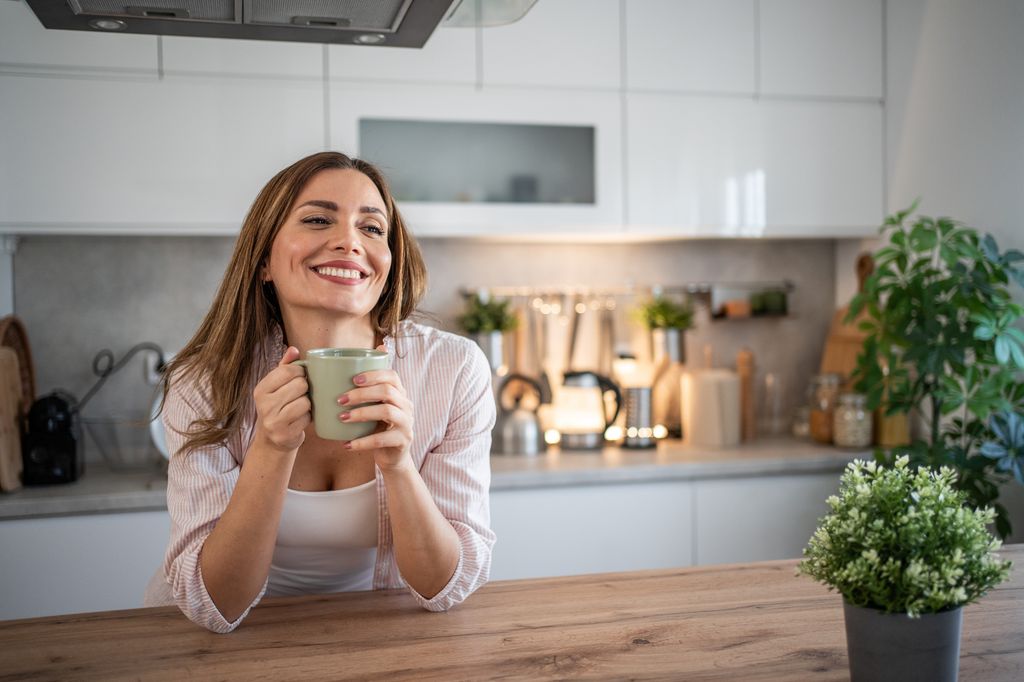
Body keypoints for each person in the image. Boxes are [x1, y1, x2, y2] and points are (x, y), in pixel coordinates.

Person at [143, 151, 496, 633]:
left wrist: (398, 465)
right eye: (317, 219)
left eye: (372, 228)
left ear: (387, 263)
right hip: (228, 644)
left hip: (379, 637)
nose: (349, 242)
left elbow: (447, 587)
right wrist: (270, 447)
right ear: (264, 260)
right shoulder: (202, 382)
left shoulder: (453, 370)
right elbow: (213, 605)